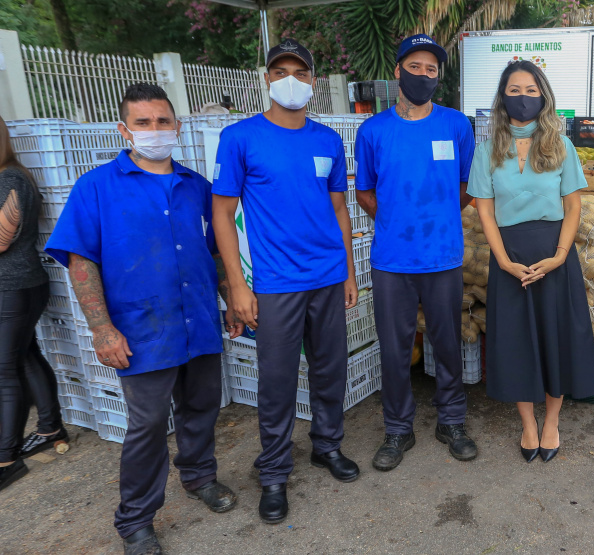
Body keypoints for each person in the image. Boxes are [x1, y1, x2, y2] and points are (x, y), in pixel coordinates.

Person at [45, 83, 238, 555]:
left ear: (178, 125)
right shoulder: (97, 187)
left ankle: (198, 477)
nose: (155, 131)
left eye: (163, 121)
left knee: (202, 408)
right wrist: (101, 328)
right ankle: (135, 520)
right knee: (148, 425)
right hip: (141, 330)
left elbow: (215, 253)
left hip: (197, 322)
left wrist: (231, 298)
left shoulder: (197, 187)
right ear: (124, 129)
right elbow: (80, 261)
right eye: (144, 123)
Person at [212, 38, 360, 524]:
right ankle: (274, 471)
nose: (290, 80)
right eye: (281, 72)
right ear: (267, 78)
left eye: (300, 72)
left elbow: (339, 208)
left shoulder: (327, 140)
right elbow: (222, 211)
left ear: (313, 82)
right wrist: (237, 285)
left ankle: (327, 446)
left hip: (326, 276)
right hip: (275, 283)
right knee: (276, 382)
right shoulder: (241, 138)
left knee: (329, 370)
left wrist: (348, 272)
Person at [355, 34, 478, 471]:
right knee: (395, 348)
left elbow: (467, 187)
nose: (423, 75)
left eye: (431, 69)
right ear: (398, 71)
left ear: (438, 76)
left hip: (443, 257)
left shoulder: (456, 125)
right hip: (392, 261)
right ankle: (397, 429)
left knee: (447, 343)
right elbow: (364, 191)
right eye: (415, 67)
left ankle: (452, 421)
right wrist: (393, 219)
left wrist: (440, 215)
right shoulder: (373, 131)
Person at [467, 61, 594, 464]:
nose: (521, 98)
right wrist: (504, 262)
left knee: (554, 337)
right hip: (510, 256)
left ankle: (551, 422)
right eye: (513, 90)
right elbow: (486, 213)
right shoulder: (488, 149)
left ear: (542, 96)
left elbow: (573, 206)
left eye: (530, 90)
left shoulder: (561, 146)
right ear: (502, 97)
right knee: (517, 341)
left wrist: (560, 255)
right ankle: (527, 424)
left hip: (554, 254)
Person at [0, 117, 67, 492]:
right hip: (16, 286)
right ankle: (49, 427)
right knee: (24, 356)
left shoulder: (10, 179)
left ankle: (6, 459)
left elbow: (1, 239)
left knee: (4, 368)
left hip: (15, 287)